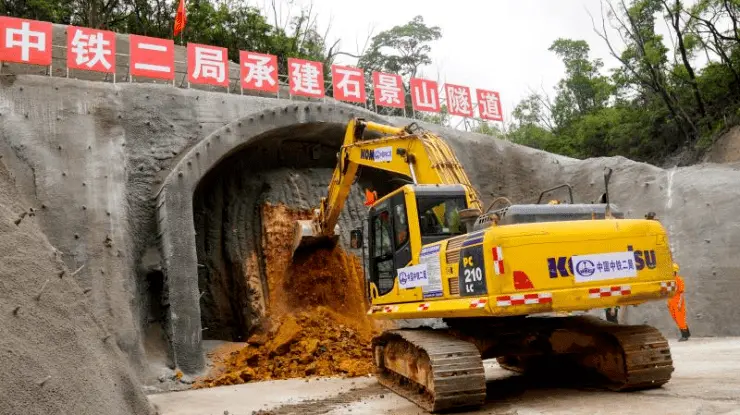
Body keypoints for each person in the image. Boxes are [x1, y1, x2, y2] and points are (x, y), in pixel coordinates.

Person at [668, 263, 690, 341]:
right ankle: (687, 332)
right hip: (671, 301)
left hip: (677, 301)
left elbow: (681, 292)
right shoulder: (670, 280)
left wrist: (680, 303)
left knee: (680, 318)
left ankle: (684, 335)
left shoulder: (679, 280)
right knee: (675, 317)